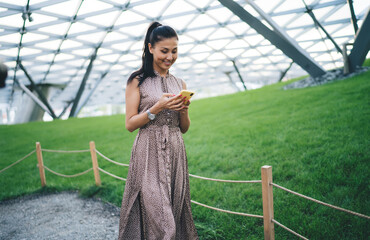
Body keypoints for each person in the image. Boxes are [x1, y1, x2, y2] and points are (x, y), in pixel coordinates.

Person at [118, 22, 199, 240]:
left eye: (174, 51)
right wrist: (157, 108)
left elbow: (184, 128)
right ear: (150, 48)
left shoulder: (179, 82)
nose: (170, 57)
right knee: (161, 218)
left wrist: (184, 110)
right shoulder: (137, 81)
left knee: (175, 207)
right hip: (148, 151)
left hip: (175, 149)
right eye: (164, 51)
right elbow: (130, 124)